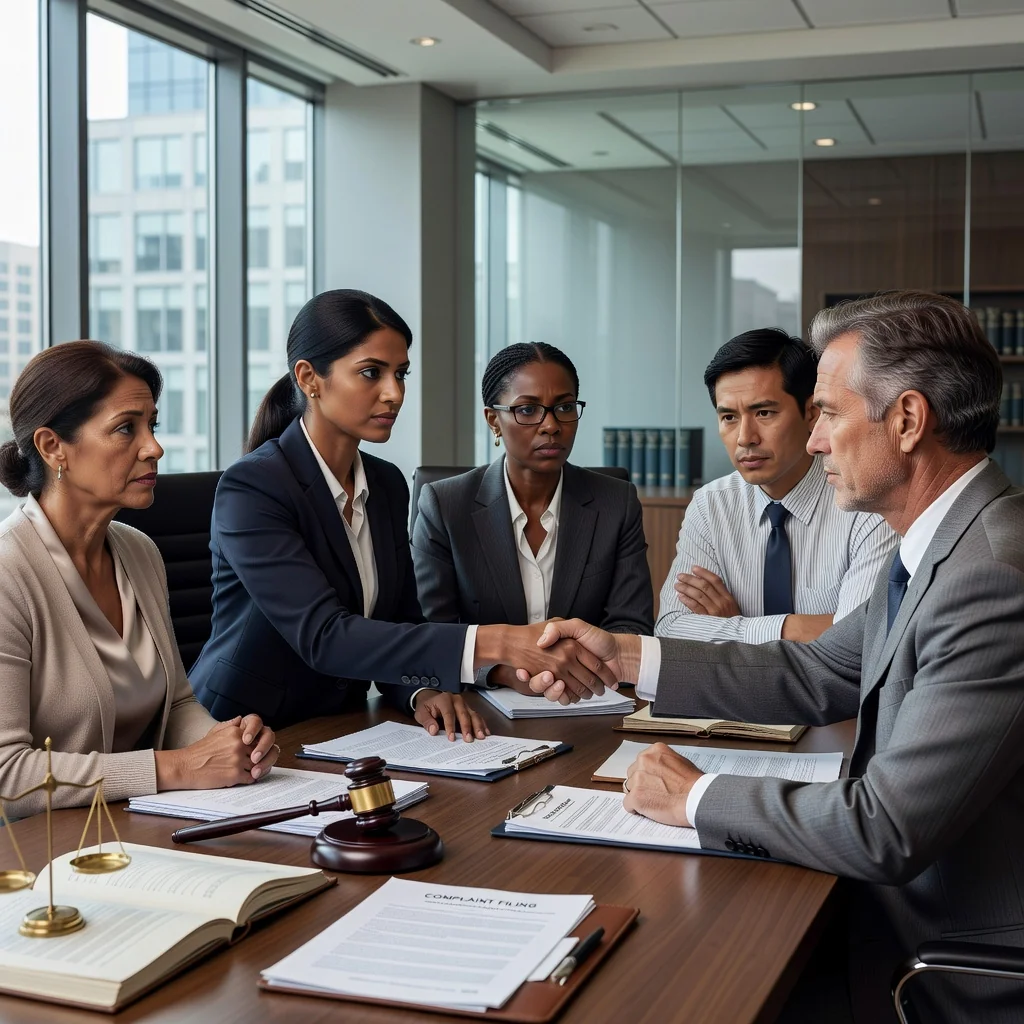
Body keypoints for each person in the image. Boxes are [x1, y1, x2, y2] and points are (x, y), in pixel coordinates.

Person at [532, 292, 1024, 1023]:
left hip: (937, 956)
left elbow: (883, 829)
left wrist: (693, 797)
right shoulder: (946, 542)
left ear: (910, 420)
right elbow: (821, 669)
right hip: (895, 910)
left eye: (826, 411)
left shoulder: (988, 573)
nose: (815, 439)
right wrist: (628, 657)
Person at [189, 290, 616, 734]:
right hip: (238, 731)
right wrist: (503, 641)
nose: (394, 394)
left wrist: (420, 692)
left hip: (343, 726)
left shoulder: (387, 482)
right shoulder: (254, 486)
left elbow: (401, 622)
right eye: (371, 373)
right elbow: (325, 637)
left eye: (401, 374)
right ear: (309, 378)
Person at [0, 342, 277, 819]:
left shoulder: (138, 551)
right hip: (40, 854)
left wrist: (228, 743)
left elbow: (176, 707)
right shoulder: (8, 572)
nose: (154, 447)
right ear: (52, 447)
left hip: (134, 826)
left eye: (152, 425)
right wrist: (177, 767)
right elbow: (8, 774)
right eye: (126, 428)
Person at [412, 342, 653, 692]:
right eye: (528, 410)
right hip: (482, 706)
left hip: (591, 698)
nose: (551, 426)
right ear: (494, 420)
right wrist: (502, 672)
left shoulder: (617, 502)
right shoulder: (445, 505)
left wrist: (566, 668)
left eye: (564, 407)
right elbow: (431, 630)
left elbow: (630, 626)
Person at [656, 329, 896, 644]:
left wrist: (734, 628)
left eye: (764, 413)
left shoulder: (866, 502)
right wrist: (789, 629)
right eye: (729, 417)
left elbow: (860, 641)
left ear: (812, 413)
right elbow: (671, 629)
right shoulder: (711, 505)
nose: (745, 438)